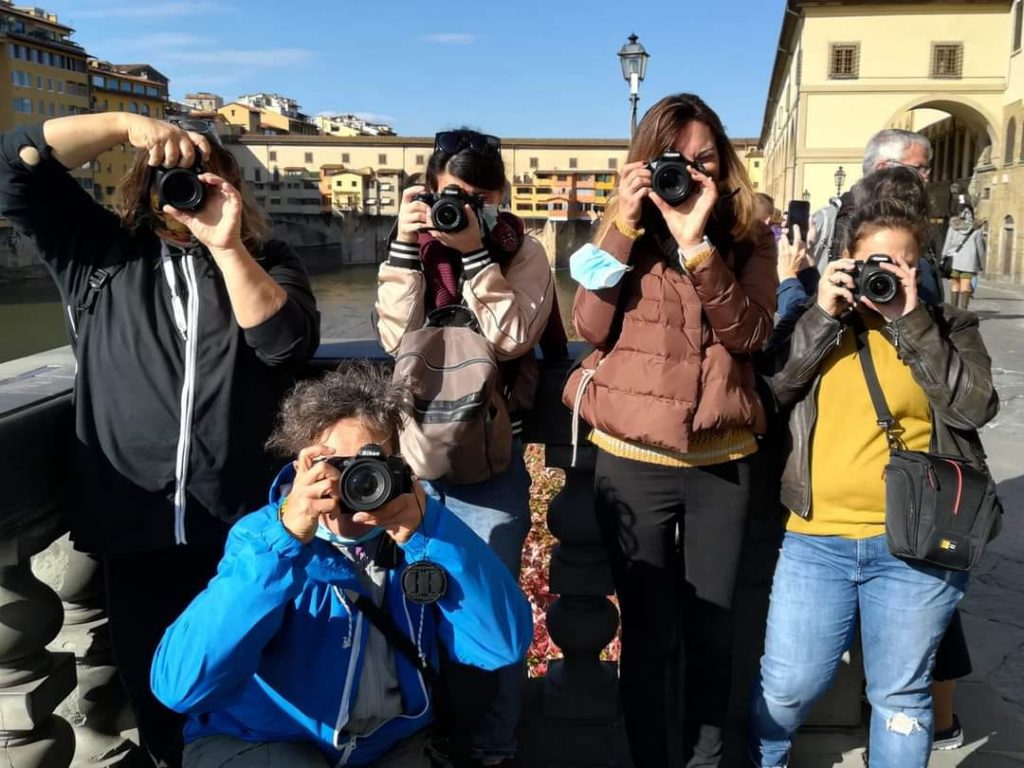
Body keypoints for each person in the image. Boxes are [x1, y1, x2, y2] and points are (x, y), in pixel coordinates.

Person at [0, 113, 320, 767]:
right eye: (171, 177)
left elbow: (285, 343)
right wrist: (124, 125)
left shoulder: (267, 261)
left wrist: (227, 246)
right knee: (159, 704)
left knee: (256, 703)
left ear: (229, 185)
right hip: (133, 533)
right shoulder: (96, 253)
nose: (187, 190)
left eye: (205, 175)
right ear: (146, 188)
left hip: (244, 537)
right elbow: (14, 166)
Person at [150, 361, 533, 768]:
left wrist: (431, 533)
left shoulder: (422, 537)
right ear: (301, 467)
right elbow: (180, 687)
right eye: (333, 466)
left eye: (370, 466)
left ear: (400, 467)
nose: (353, 484)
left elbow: (502, 645)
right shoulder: (261, 538)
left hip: (389, 742)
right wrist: (286, 542)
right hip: (261, 738)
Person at [563, 92, 778, 767]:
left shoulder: (747, 235)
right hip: (633, 457)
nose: (690, 173)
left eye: (705, 160)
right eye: (673, 161)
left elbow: (751, 334)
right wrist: (624, 226)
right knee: (649, 636)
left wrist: (697, 248)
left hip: (721, 459)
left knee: (716, 633)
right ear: (643, 165)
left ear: (726, 165)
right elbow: (589, 329)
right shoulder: (621, 235)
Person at [750, 194, 998, 767]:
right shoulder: (817, 322)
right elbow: (769, 392)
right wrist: (820, 313)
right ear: (846, 262)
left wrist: (911, 323)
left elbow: (974, 406)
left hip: (915, 547)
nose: (883, 276)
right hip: (816, 541)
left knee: (901, 698)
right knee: (786, 687)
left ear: (919, 269)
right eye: (872, 264)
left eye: (900, 264)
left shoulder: (948, 327)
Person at [375, 128, 562, 767]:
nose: (469, 208)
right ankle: (427, 731)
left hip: (491, 465)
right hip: (413, 462)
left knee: (492, 611)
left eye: (484, 196)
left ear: (501, 196)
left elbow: (510, 339)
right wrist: (406, 244)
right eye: (455, 196)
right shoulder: (414, 249)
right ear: (430, 191)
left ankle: (493, 744)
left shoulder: (523, 251)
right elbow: (395, 335)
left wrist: (478, 254)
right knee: (413, 606)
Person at [942, 203, 986, 309]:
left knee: (955, 284)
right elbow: (980, 248)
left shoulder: (953, 226)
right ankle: (964, 310)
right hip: (969, 262)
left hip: (954, 260)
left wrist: (944, 257)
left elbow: (948, 243)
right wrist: (981, 264)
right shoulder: (977, 228)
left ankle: (953, 310)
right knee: (965, 286)